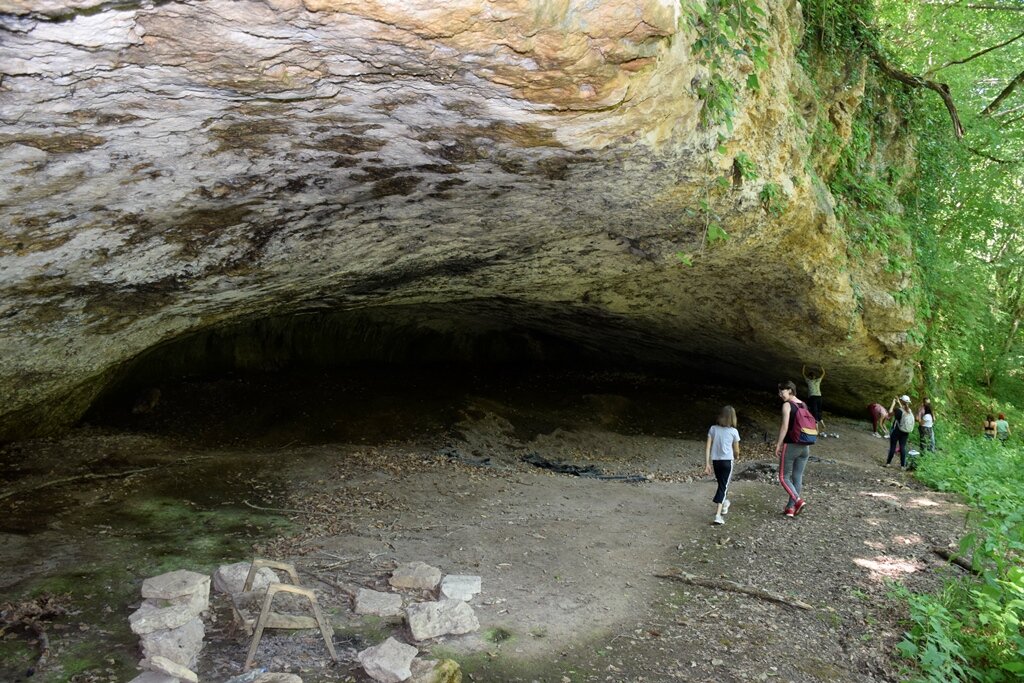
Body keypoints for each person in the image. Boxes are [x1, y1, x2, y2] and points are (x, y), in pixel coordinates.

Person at [775, 381, 810, 517]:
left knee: (783, 477)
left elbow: (784, 426)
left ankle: (797, 500)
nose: (780, 395)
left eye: (782, 391)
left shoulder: (787, 405)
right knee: (797, 477)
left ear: (790, 390)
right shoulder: (804, 404)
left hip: (791, 445)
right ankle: (790, 508)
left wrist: (778, 444)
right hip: (805, 446)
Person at [704, 405, 740, 525]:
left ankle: (725, 504)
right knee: (723, 487)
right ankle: (718, 515)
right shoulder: (734, 432)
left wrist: (707, 463)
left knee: (721, 484)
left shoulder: (713, 429)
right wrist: (736, 456)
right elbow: (736, 450)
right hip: (727, 461)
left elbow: (708, 446)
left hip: (716, 461)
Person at [885, 395, 914, 468]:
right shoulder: (909, 411)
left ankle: (888, 463)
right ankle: (902, 466)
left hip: (897, 431)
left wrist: (893, 403)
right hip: (905, 432)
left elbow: (889, 413)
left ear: (901, 401)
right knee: (902, 447)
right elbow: (903, 410)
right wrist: (899, 402)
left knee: (893, 447)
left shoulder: (898, 410)